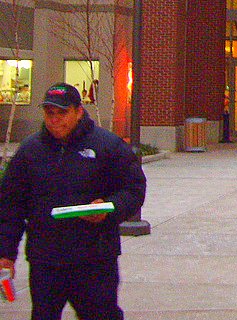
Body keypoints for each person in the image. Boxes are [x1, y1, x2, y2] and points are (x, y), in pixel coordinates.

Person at [0, 82, 147, 320]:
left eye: (62, 112)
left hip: (94, 259)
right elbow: (10, 206)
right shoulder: (30, 152)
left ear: (78, 112)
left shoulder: (107, 146)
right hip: (45, 260)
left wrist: (109, 208)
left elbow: (134, 189)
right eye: (50, 113)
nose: (55, 119)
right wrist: (6, 254)